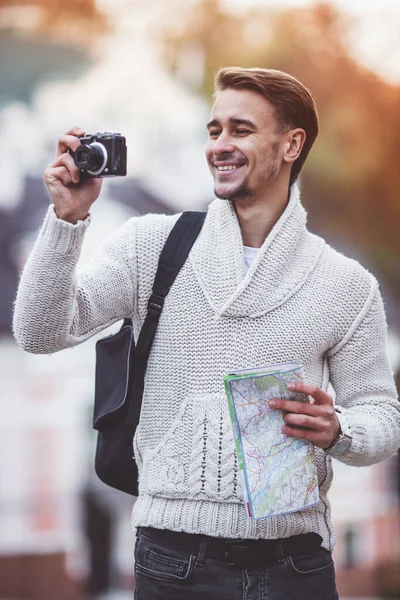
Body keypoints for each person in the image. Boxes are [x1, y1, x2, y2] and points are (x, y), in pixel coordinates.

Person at [13, 67, 400, 600]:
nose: (219, 145)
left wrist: (339, 431)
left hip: (295, 567)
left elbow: (383, 415)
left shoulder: (346, 285)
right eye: (214, 130)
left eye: (240, 130)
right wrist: (66, 221)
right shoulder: (151, 245)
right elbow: (39, 332)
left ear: (291, 144)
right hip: (173, 565)